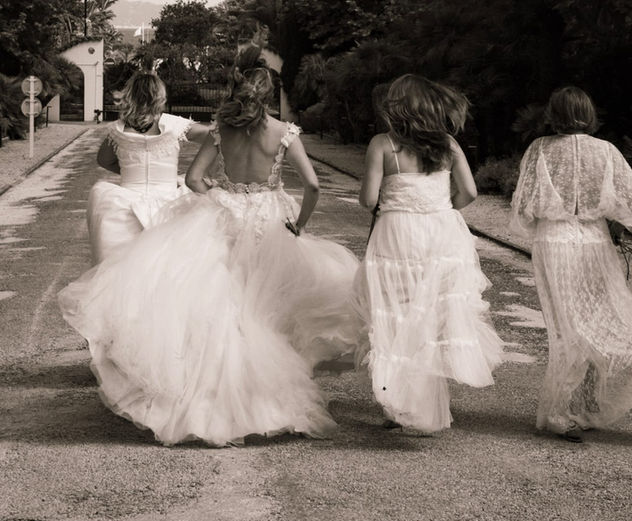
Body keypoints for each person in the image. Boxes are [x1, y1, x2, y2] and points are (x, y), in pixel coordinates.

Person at [58, 47, 359, 447]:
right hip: (271, 220)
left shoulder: (222, 130)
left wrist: (222, 193)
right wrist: (300, 225)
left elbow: (194, 179)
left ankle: (213, 388)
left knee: (224, 303)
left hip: (227, 216)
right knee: (272, 301)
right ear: (269, 96)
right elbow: (314, 185)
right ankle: (267, 385)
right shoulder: (284, 132)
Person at [510, 85, 632, 442]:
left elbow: (524, 205)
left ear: (553, 114)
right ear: (589, 113)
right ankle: (582, 404)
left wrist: (546, 221)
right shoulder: (605, 151)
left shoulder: (539, 149)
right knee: (598, 317)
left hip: (553, 242)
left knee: (566, 326)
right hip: (594, 241)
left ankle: (562, 410)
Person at [350, 74, 504, 434]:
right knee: (430, 315)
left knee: (395, 314)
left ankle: (396, 403)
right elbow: (470, 191)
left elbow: (368, 199)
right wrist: (441, 208)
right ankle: (421, 402)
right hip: (441, 234)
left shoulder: (383, 144)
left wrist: (395, 202)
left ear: (397, 107)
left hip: (396, 234)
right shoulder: (448, 145)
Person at [87, 70, 212, 263]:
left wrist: (128, 170)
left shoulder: (117, 130)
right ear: (160, 97)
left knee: (125, 267)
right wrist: (206, 169)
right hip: (170, 202)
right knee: (171, 265)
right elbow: (214, 137)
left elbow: (103, 160)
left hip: (125, 206)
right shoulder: (174, 125)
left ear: (129, 96)